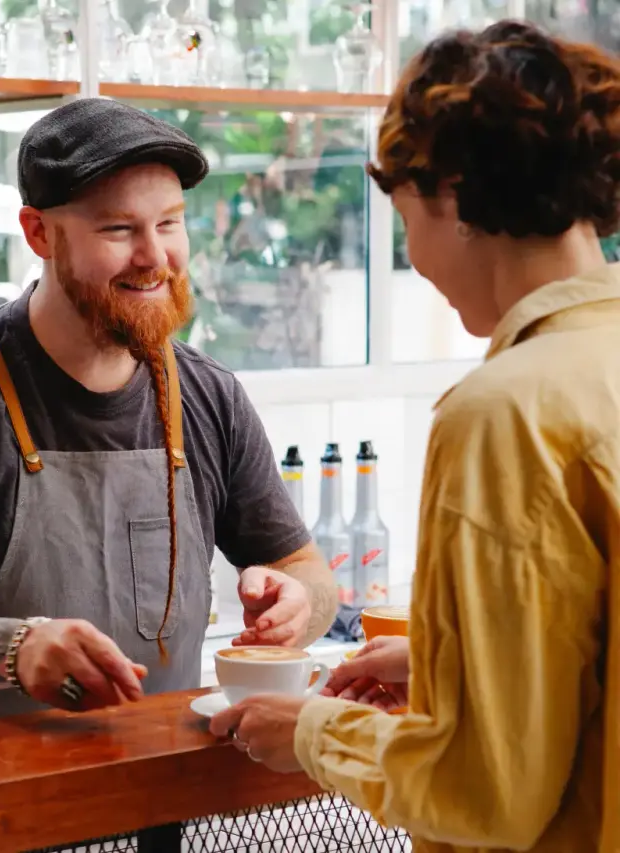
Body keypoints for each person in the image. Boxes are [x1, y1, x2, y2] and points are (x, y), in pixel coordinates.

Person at [210, 20, 620, 853]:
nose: (414, 257)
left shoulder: (503, 412)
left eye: (403, 215)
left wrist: (313, 732)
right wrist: (442, 664)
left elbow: (484, 788)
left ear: (456, 196)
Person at [0, 98, 337, 718]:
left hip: (159, 796)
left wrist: (297, 603)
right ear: (39, 232)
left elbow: (307, 571)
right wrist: (11, 649)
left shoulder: (208, 394)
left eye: (170, 223)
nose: (155, 257)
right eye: (119, 229)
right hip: (3, 808)